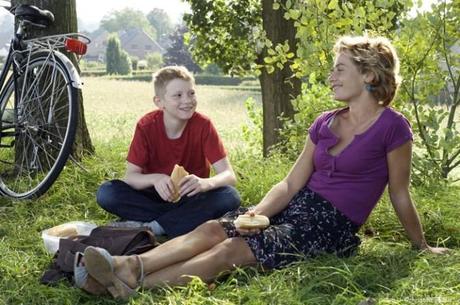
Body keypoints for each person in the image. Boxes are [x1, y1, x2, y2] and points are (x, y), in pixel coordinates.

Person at [80, 35, 448, 299]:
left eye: (340, 69)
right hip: (296, 205)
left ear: (368, 75)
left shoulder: (393, 127)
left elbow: (399, 192)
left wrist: (422, 245)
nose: (331, 76)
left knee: (231, 252)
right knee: (215, 228)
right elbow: (290, 185)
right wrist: (255, 213)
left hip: (331, 225)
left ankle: (134, 281)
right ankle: (127, 264)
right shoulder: (324, 122)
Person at [95, 66, 240, 238]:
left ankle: (152, 227)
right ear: (159, 102)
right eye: (178, 95)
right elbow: (131, 177)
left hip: (190, 197)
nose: (187, 100)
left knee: (229, 196)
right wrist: (156, 179)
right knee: (107, 193)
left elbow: (229, 176)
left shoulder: (203, 125)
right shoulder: (146, 126)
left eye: (191, 93)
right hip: (152, 197)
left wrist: (205, 183)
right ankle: (178, 222)